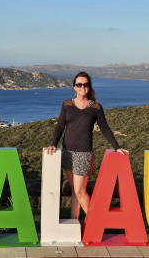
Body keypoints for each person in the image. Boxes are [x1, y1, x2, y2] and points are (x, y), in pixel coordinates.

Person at [45, 71, 128, 219]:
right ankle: (74, 225)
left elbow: (105, 128)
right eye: (79, 84)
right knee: (74, 191)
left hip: (84, 155)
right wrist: (53, 144)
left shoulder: (95, 107)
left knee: (80, 192)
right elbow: (60, 126)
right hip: (67, 153)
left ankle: (96, 224)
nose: (82, 87)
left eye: (85, 84)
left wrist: (117, 147)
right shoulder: (67, 104)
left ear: (89, 87)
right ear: (74, 87)